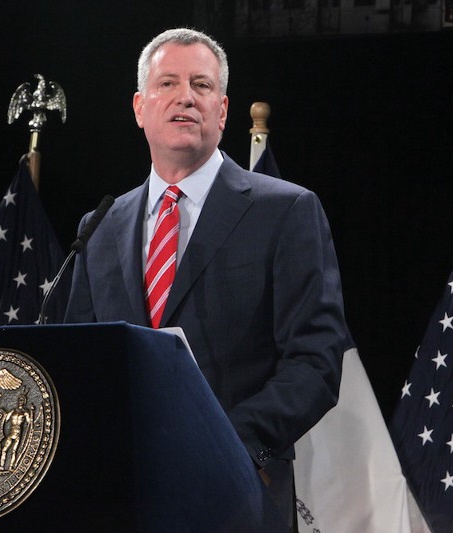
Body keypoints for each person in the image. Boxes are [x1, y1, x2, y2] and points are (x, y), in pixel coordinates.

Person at [65, 27, 348, 528]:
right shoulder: (100, 227)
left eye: (201, 85)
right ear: (139, 107)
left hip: (236, 490)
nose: (185, 98)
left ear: (222, 109)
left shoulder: (285, 211)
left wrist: (226, 441)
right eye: (167, 84)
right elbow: (77, 362)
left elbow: (315, 361)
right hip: (118, 497)